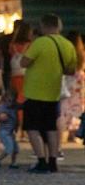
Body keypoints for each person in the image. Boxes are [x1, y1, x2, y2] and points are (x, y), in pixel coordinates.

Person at [21, 14, 77, 173]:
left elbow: (23, 62)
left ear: (43, 26)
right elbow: (71, 70)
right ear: (59, 26)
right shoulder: (68, 45)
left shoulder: (40, 43)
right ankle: (53, 161)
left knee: (32, 128)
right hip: (54, 93)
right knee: (51, 128)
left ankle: (41, 161)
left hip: (34, 92)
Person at [0, 89, 20, 169]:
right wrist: (1, 117)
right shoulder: (3, 107)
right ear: (5, 99)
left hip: (11, 132)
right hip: (4, 132)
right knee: (9, 148)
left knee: (15, 149)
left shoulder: (14, 107)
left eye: (12, 100)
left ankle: (13, 163)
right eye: (8, 100)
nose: (10, 102)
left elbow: (20, 109)